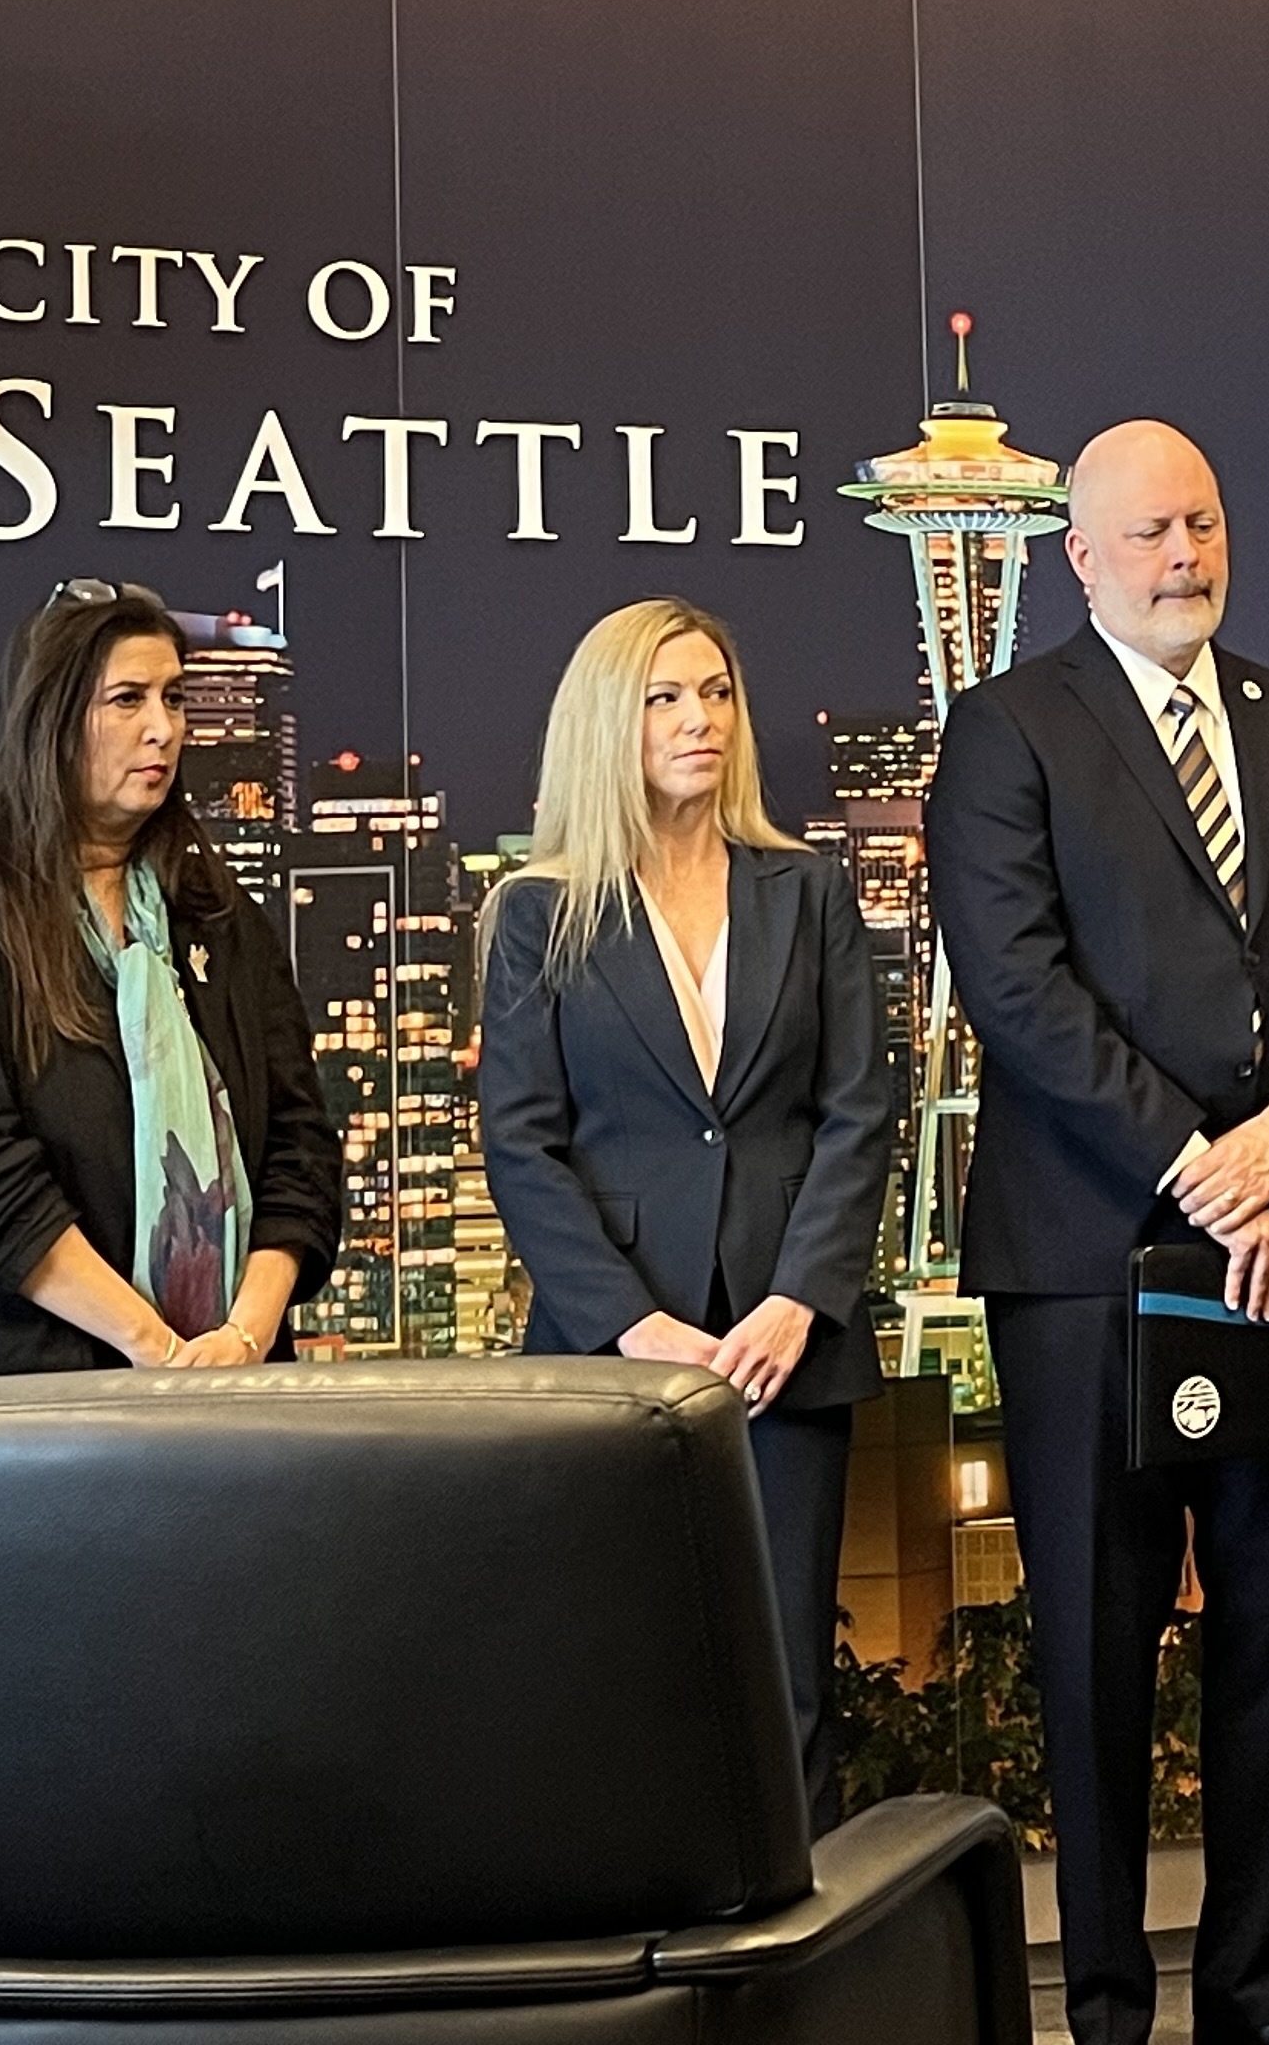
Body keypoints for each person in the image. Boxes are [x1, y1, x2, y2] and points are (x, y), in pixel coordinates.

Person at [927, 420, 1269, 2045]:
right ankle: (1113, 2007)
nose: (1182, 554)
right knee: (1096, 1650)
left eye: (1200, 520)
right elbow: (1015, 983)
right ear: (1078, 553)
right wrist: (1197, 1157)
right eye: (1145, 531)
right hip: (1086, 1260)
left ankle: (1264, 1996)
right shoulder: (1007, 729)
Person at [475, 598, 897, 1828]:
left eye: (715, 691)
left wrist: (796, 1301)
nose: (700, 718)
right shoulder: (537, 914)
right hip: (616, 1364)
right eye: (665, 697)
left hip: (786, 1357)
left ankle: (790, 1974)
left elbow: (857, 1110)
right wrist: (632, 1327)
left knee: (786, 1685)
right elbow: (523, 1144)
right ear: (610, 721)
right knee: (623, 1672)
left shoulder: (806, 892)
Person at [0, 580, 340, 1383]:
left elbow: (301, 1153)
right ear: (50, 719)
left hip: (224, 1392)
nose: (164, 729)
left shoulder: (217, 914)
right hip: (3, 1401)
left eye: (175, 698)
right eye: (127, 700)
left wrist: (242, 1340)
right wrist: (153, 1348)